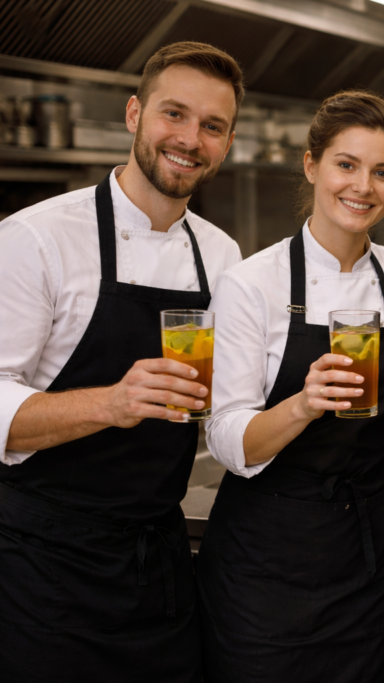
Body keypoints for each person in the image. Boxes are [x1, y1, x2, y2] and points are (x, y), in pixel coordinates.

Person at [0, 42, 243, 682]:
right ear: (134, 114)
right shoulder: (36, 238)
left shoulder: (221, 255)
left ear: (227, 142)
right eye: (174, 114)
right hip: (46, 571)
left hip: (157, 566)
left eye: (212, 126)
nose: (190, 139)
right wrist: (112, 402)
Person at [196, 90, 384, 683]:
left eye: (383, 172)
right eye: (346, 165)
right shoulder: (251, 283)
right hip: (268, 556)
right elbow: (225, 437)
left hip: (369, 549)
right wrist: (303, 402)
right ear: (311, 166)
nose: (363, 187)